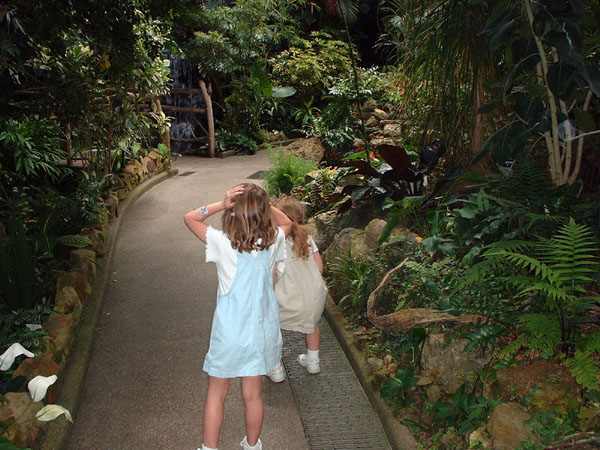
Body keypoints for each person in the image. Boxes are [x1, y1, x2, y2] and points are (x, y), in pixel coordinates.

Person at [184, 183, 291, 450]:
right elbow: (287, 222)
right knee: (253, 397)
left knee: (216, 395)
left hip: (229, 334)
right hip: (259, 333)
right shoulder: (274, 239)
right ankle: (252, 446)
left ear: (234, 211)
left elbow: (190, 217)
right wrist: (264, 205)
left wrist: (223, 203)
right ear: (264, 212)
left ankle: (209, 448)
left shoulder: (222, 242)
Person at [270, 195, 328, 379]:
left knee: (271, 328)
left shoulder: (274, 242)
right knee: (312, 326)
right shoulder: (308, 238)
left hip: (286, 301)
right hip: (314, 299)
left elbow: (272, 273)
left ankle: (275, 367)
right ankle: (313, 362)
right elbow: (320, 267)